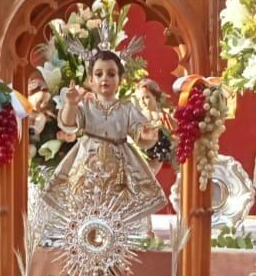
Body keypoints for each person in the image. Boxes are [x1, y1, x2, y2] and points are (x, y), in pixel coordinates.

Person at [43, 50, 166, 216]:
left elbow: (139, 132)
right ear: (91, 81)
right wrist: (71, 104)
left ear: (120, 80)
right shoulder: (86, 105)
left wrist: (147, 134)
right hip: (87, 166)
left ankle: (116, 237)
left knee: (117, 209)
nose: (104, 78)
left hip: (119, 168)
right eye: (99, 74)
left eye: (111, 74)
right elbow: (68, 123)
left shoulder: (127, 108)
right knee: (84, 207)